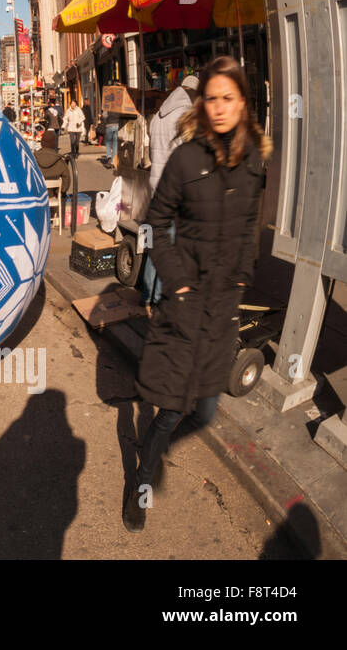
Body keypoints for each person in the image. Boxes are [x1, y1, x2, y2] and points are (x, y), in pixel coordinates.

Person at [123, 56, 271, 533]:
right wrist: (178, 281)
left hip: (223, 307)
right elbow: (155, 222)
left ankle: (155, 446)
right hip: (185, 304)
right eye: (211, 98)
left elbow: (249, 222)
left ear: (243, 103)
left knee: (205, 410)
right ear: (201, 104)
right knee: (170, 409)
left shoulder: (252, 160)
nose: (220, 107)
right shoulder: (187, 159)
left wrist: (244, 273)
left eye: (228, 98)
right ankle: (142, 481)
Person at [141, 74, 200, 309]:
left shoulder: (158, 116)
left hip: (156, 184)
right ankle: (159, 296)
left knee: (155, 240)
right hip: (175, 188)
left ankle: (147, 292)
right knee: (170, 243)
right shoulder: (185, 116)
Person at [35, 129, 73, 200]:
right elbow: (66, 179)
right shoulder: (60, 161)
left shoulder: (33, 158)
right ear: (54, 144)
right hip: (53, 196)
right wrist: (61, 192)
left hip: (36, 195)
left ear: (42, 143)